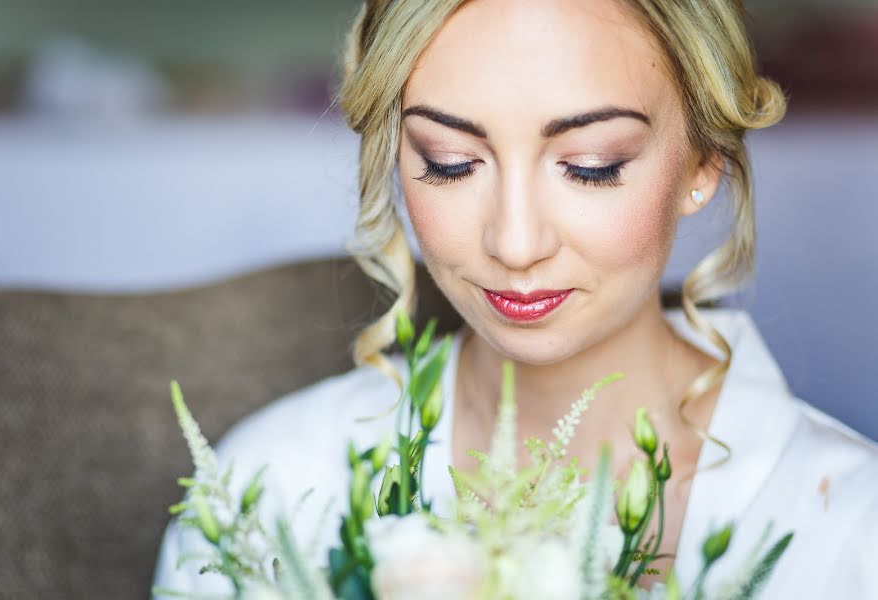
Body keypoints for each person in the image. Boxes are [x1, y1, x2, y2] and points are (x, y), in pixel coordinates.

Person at [152, 1, 878, 598]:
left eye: (591, 168)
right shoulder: (268, 494)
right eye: (451, 163)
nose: (516, 242)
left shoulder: (848, 531)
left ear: (702, 164)